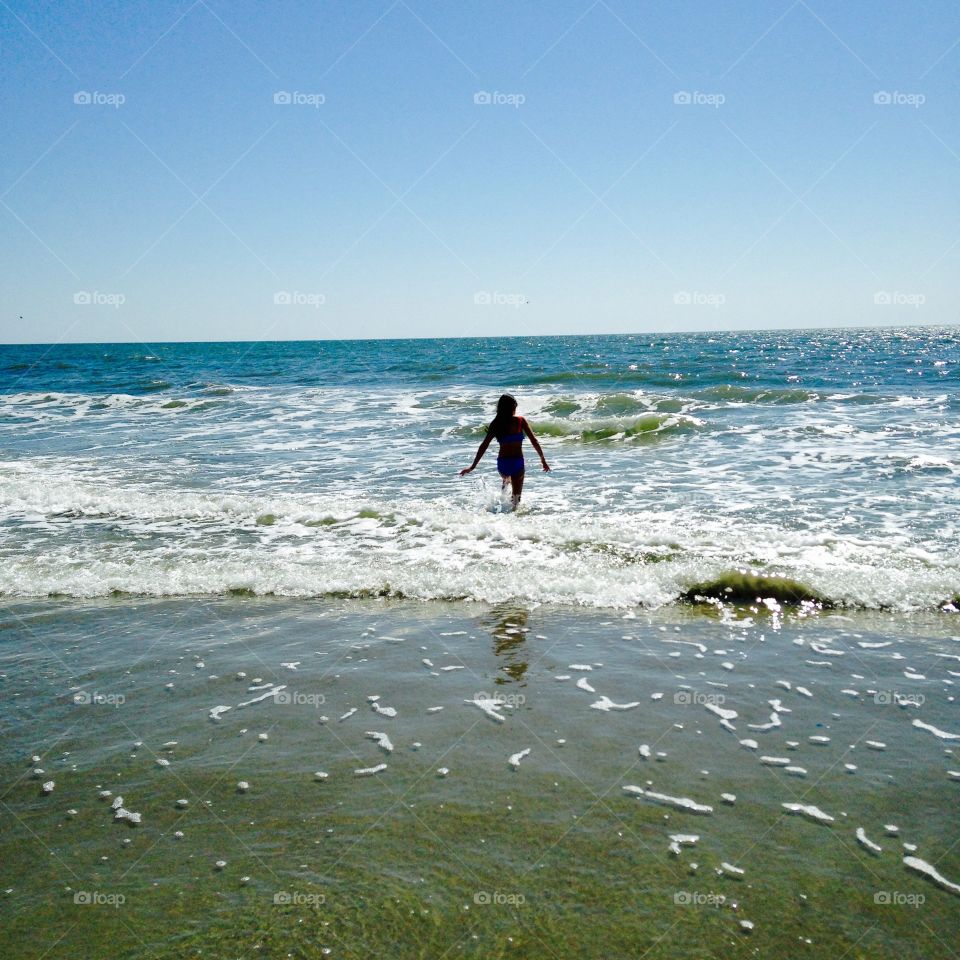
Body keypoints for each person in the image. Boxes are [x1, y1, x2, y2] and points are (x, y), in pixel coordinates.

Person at [459, 394, 550, 510]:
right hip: (517, 462)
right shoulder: (520, 421)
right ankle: (512, 516)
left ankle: (501, 500)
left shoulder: (496, 423)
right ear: (513, 407)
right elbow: (534, 441)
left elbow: (484, 445)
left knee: (507, 480)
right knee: (516, 499)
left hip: (503, 464)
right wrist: (543, 460)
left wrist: (472, 466)